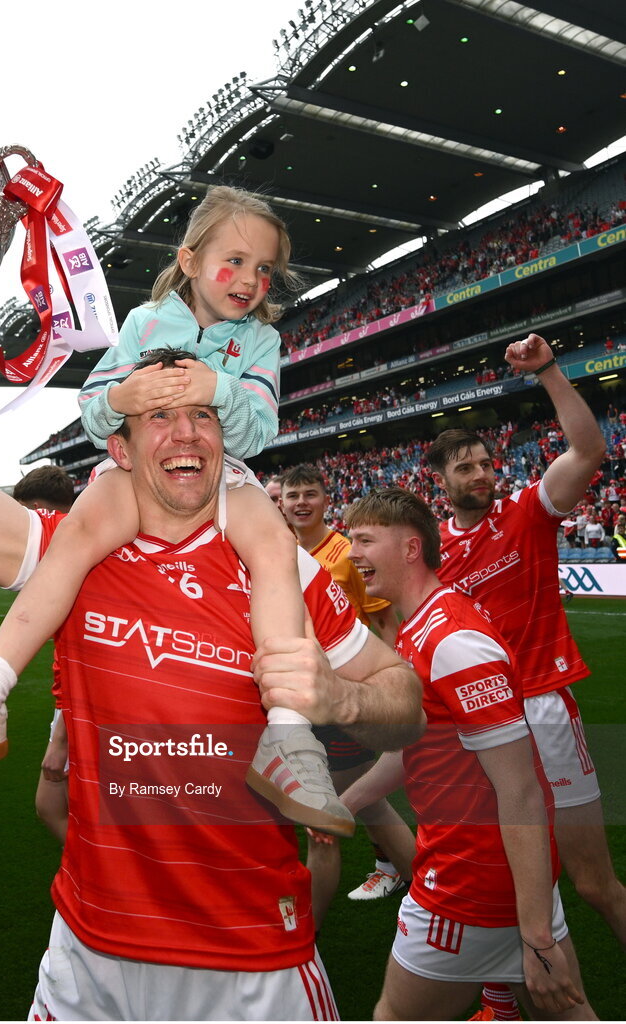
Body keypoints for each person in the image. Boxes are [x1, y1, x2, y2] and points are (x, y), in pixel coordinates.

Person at [0, 331, 424, 1020]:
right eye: (159, 416)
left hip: (251, 955)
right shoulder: (70, 550)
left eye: (202, 414)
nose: (185, 432)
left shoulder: (281, 569)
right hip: (90, 949)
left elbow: (405, 703)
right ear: (120, 449)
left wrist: (341, 695)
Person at [0, 186, 355, 838]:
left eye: (264, 269)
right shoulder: (144, 322)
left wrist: (217, 387)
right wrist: (124, 392)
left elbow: (258, 433)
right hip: (136, 472)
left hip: (221, 476)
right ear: (191, 258)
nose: (250, 280)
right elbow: (94, 414)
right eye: (233, 261)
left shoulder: (261, 342)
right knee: (73, 544)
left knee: (274, 549)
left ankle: (288, 742)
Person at [341, 488, 594, 1021]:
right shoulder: (422, 627)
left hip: (470, 882)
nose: (350, 552)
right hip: (485, 873)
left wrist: (537, 937)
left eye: (363, 539)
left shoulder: (452, 641)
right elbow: (415, 749)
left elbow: (520, 789)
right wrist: (347, 804)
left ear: (411, 549)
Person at [427, 333, 623, 1017]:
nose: (481, 473)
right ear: (442, 481)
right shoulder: (432, 554)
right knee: (503, 875)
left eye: (486, 462)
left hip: (542, 712)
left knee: (596, 884)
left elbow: (590, 452)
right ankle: (502, 999)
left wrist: (547, 372)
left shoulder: (527, 513)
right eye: (466, 467)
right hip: (477, 729)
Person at [278, 464, 414, 920]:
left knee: (325, 817)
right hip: (302, 701)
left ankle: (306, 933)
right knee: (365, 800)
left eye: (309, 493)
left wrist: (386, 689)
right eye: (292, 494)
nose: (300, 502)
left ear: (324, 498)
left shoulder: (344, 552)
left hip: (342, 701)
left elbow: (384, 621)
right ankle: (432, 890)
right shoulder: (277, 550)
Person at [12, 466, 75, 844]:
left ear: (38, 510)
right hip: (77, 702)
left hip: (78, 706)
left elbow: (87, 659)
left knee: (52, 807)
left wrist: (60, 741)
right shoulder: (87, 540)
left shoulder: (67, 553)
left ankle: (102, 885)